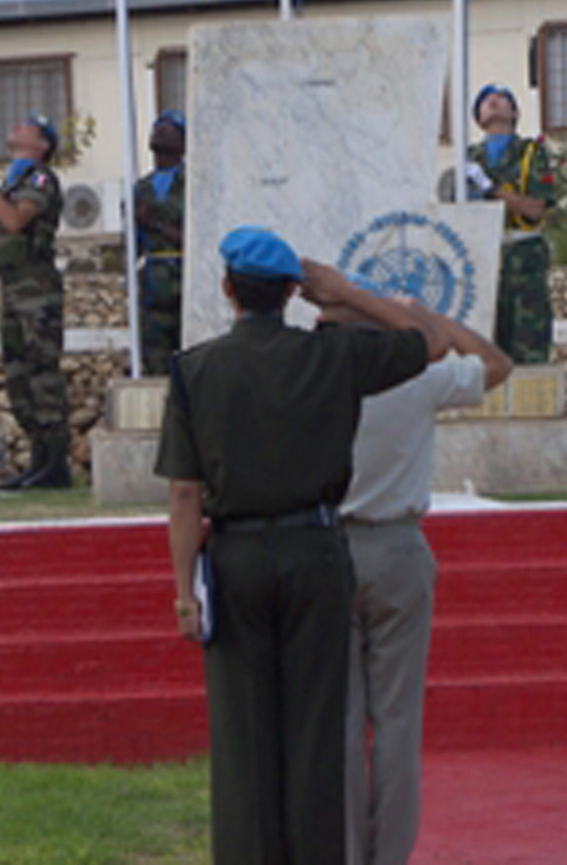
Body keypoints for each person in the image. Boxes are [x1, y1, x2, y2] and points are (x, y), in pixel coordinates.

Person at [157, 227, 443, 865]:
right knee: (317, 733)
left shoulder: (195, 370)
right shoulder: (334, 355)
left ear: (228, 290)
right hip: (315, 550)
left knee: (243, 739)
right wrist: (350, 293)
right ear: (292, 292)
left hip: (234, 559)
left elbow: (183, 493)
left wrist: (183, 592)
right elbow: (430, 341)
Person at [341, 301, 514, 865]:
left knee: (340, 724)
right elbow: (495, 364)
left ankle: (345, 851)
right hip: (397, 543)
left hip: (330, 548)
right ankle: (389, 854)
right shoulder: (415, 379)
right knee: (397, 719)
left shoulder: (318, 378)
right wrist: (426, 318)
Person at [0, 114, 70, 490]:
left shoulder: (39, 180)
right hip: (12, 288)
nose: (16, 127)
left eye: (28, 127)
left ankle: (55, 461)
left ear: (42, 144)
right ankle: (37, 457)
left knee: (42, 373)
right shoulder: (11, 183)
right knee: (18, 375)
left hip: (36, 289)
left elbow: (15, 221)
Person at [458, 85, 554, 365]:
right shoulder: (469, 158)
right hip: (482, 259)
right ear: (478, 118)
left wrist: (491, 189)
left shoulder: (530, 153)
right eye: (485, 99)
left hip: (523, 259)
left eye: (503, 98)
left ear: (515, 113)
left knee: (528, 348)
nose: (493, 101)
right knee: (482, 351)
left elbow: (535, 209)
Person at [133, 110, 188, 374]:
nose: (162, 131)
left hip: (184, 282)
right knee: (155, 363)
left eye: (171, 128)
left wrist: (155, 225)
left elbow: (198, 239)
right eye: (158, 126)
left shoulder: (193, 183)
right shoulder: (141, 188)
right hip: (153, 288)